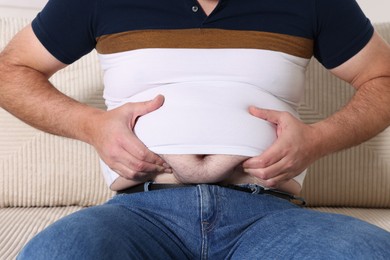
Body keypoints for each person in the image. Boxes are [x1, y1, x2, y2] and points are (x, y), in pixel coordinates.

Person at [0, 0, 389, 258]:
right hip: (140, 213)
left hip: (269, 215)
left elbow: (383, 79)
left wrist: (317, 140)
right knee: (56, 253)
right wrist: (91, 125)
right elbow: (10, 72)